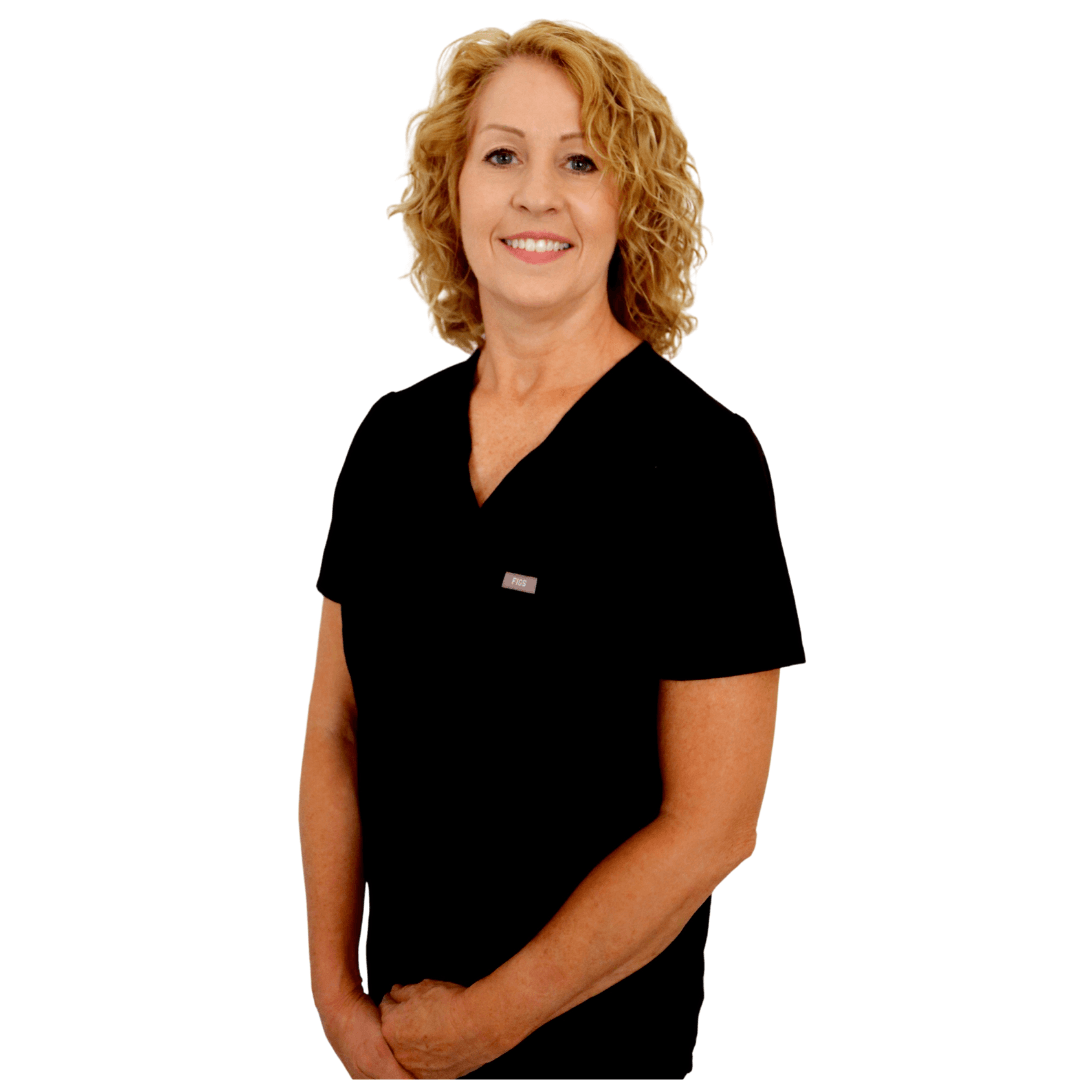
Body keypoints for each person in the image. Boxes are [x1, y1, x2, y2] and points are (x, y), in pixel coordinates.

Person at [298, 19, 805, 1080]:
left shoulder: (700, 462)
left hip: (600, 1053)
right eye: (502, 155)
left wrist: (486, 1025)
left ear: (633, 202)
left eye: (581, 160)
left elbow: (711, 826)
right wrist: (339, 1004)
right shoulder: (392, 442)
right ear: (454, 191)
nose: (536, 194)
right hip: (392, 1050)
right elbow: (338, 734)